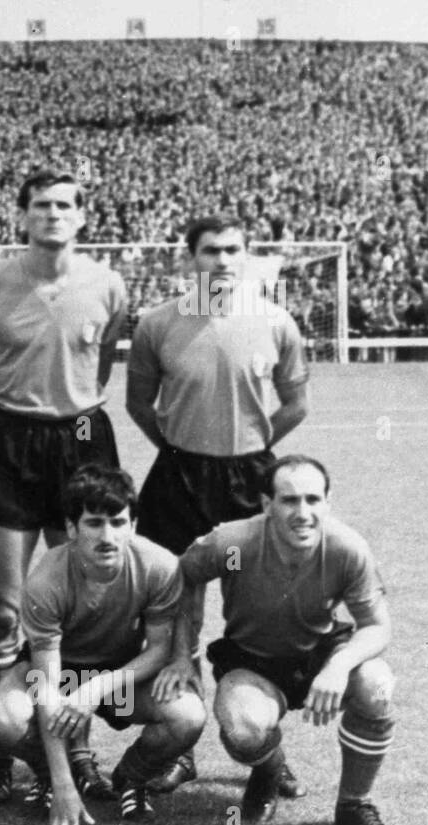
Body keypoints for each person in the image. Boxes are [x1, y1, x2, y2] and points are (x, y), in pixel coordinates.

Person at [0, 170, 129, 807]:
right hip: (7, 440)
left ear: (82, 217)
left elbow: (102, 363)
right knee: (4, 610)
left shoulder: (107, 284)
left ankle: (75, 750)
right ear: (23, 215)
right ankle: (1, 755)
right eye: (40, 206)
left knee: (77, 605)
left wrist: (66, 419)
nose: (53, 214)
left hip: (82, 437)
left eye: (64, 205)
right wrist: (5, 434)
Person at [127, 214, 310, 795]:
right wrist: (185, 449)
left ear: (246, 254)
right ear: (191, 258)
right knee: (179, 610)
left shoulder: (276, 321)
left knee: (257, 608)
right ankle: (182, 748)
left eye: (233, 250)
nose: (224, 261)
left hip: (250, 475)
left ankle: (265, 750)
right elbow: (138, 404)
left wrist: (250, 449)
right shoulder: (158, 323)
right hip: (177, 473)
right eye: (211, 251)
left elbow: (295, 403)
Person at [168, 455, 398, 825]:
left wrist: (338, 667)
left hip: (321, 655)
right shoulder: (233, 544)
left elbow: (377, 626)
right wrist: (182, 654)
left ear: (328, 502)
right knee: (243, 728)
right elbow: (184, 577)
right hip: (252, 661)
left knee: (377, 685)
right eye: (289, 500)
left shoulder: (346, 548)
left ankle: (353, 805)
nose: (303, 512)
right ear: (266, 504)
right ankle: (269, 770)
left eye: (313, 499)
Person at [0, 465, 206, 825]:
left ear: (133, 525)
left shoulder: (159, 565)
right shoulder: (45, 580)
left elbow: (157, 650)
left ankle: (130, 779)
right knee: (8, 718)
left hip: (120, 676)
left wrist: (101, 687)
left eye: (118, 521)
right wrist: (62, 786)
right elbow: (47, 685)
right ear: (72, 528)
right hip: (59, 675)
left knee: (187, 715)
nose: (107, 535)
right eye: (94, 523)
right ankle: (53, 777)